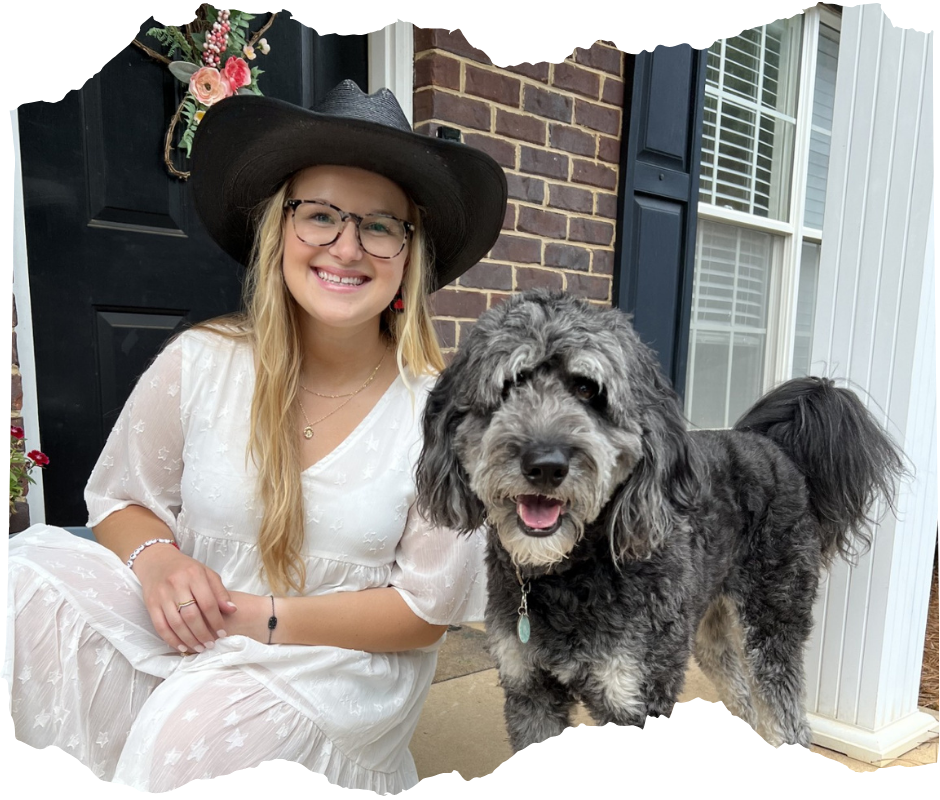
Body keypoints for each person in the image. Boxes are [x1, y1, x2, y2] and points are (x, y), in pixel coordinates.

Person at [5, 80, 508, 793]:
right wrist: (156, 562)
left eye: (380, 225)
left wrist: (252, 619)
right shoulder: (201, 362)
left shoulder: (443, 415)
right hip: (199, 624)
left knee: (205, 727)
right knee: (25, 578)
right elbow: (120, 498)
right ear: (280, 230)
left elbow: (425, 614)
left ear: (408, 253)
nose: (347, 246)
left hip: (335, 661)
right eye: (321, 215)